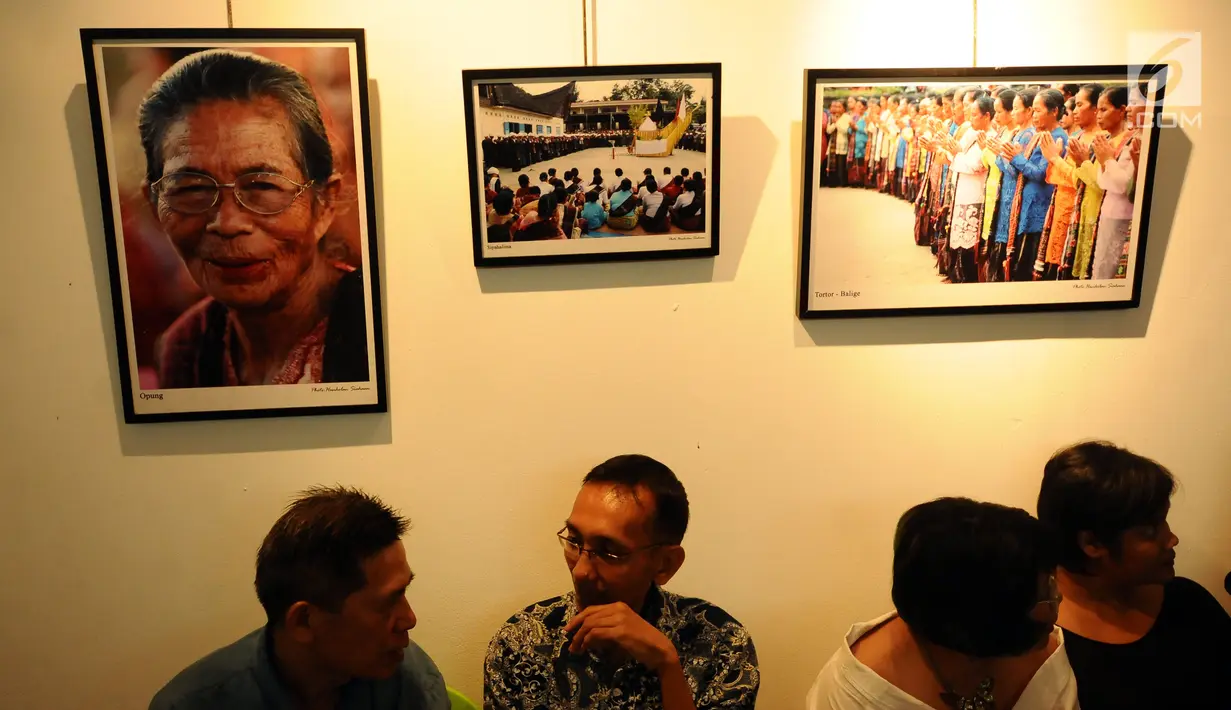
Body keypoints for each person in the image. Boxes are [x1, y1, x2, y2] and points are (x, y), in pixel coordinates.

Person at [139, 49, 371, 388]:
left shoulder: (379, 328)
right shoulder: (184, 347)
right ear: (155, 203)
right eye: (191, 189)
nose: (228, 223)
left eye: (262, 185)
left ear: (324, 202)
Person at [484, 454, 759, 709]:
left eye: (609, 552)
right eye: (574, 541)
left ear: (665, 564)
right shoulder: (521, 643)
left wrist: (667, 667)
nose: (580, 571)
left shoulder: (721, 644)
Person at [149, 486, 447, 710]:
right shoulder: (193, 704)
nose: (409, 619)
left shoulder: (408, 681)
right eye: (386, 603)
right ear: (304, 621)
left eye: (404, 592)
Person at [806, 497, 1078, 710]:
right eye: (1044, 595)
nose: (1059, 600)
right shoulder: (855, 696)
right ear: (982, 621)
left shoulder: (1045, 654)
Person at [1036, 441, 1231, 710]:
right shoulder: (1038, 645)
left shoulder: (1187, 602)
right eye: (1150, 530)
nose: (1171, 539)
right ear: (1092, 544)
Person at [1037, 84, 1104, 280]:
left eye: (1079, 105)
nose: (1074, 111)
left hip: (1080, 210)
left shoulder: (1101, 140)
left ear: (1095, 108)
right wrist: (1055, 160)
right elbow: (1054, 177)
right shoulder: (1077, 136)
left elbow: (1079, 180)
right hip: (1061, 207)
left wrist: (1056, 159)